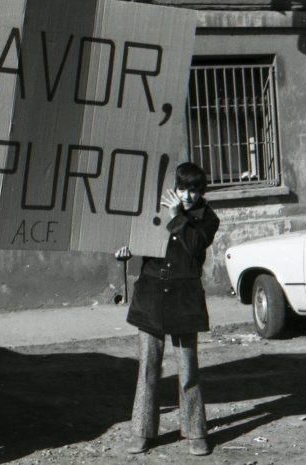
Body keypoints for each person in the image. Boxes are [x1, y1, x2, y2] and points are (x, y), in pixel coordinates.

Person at [116, 162, 220, 457]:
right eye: (184, 188)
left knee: (187, 368)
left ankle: (196, 432)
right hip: (151, 293)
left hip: (184, 297)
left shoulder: (207, 219)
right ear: (175, 187)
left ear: (202, 192)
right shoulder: (153, 208)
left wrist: (177, 216)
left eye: (195, 190)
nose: (188, 196)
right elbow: (135, 240)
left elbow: (193, 247)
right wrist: (123, 251)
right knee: (148, 367)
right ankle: (141, 432)